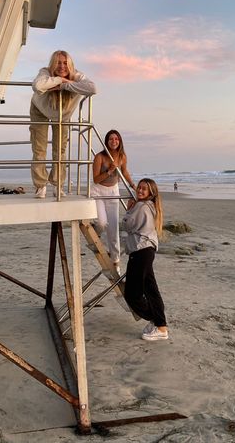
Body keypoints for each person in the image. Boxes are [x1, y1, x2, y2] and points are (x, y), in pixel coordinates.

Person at [30, 50, 96, 198]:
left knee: (60, 149)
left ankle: (57, 184)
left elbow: (92, 88)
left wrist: (66, 85)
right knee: (39, 149)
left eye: (65, 63)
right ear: (53, 63)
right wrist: (60, 80)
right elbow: (37, 86)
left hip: (62, 114)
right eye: (58, 62)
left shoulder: (77, 75)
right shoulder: (45, 71)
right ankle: (40, 186)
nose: (62, 66)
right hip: (40, 109)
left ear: (70, 64)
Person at [122, 178, 168, 341]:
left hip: (141, 251)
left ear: (150, 193)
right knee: (150, 289)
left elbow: (128, 226)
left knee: (132, 294)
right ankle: (161, 326)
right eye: (139, 188)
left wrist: (128, 210)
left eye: (144, 189)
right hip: (146, 250)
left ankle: (158, 322)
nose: (140, 191)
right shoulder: (150, 206)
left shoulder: (141, 206)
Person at [92, 130, 135, 272]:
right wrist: (109, 171)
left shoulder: (122, 156)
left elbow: (125, 172)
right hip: (99, 191)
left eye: (116, 139)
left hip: (113, 192)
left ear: (120, 141)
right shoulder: (99, 157)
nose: (114, 141)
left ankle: (115, 260)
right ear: (106, 141)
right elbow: (96, 179)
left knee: (114, 228)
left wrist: (132, 185)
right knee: (102, 223)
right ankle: (95, 232)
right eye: (111, 139)